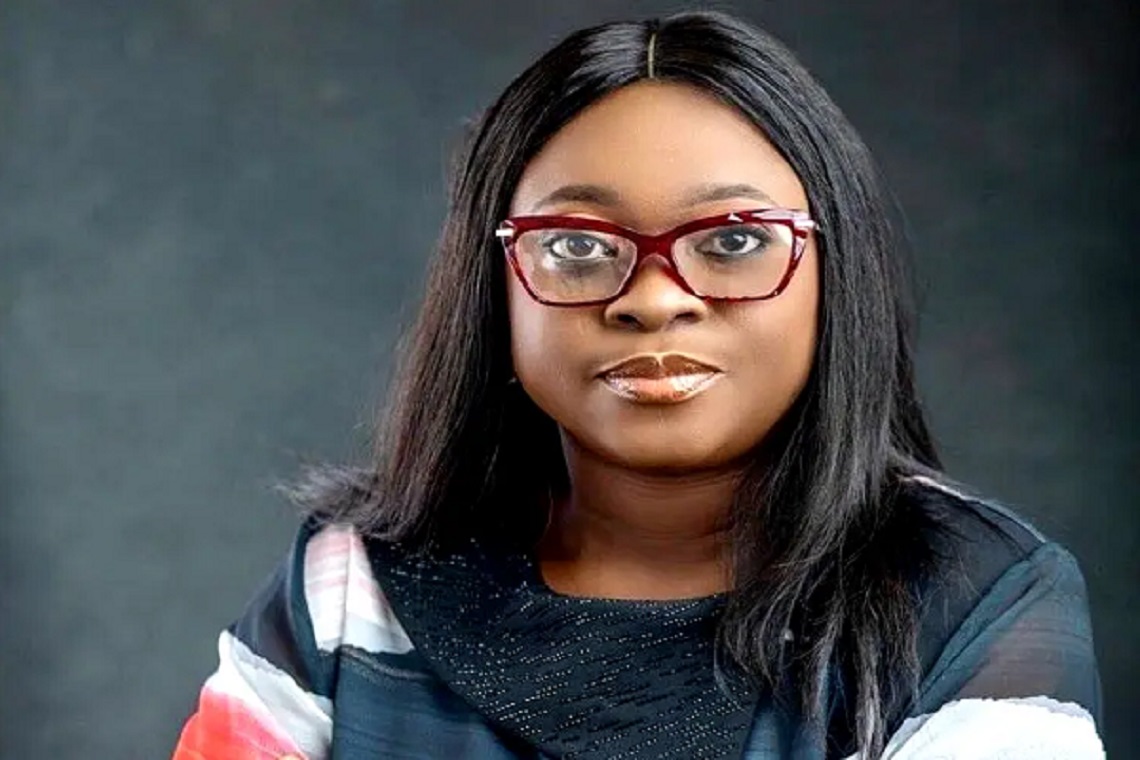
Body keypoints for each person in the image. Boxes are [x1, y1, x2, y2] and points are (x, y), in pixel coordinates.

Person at [172, 11, 1103, 759]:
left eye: (733, 240)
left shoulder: (971, 602)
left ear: (836, 272)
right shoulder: (351, 586)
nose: (654, 299)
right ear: (492, 289)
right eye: (577, 247)